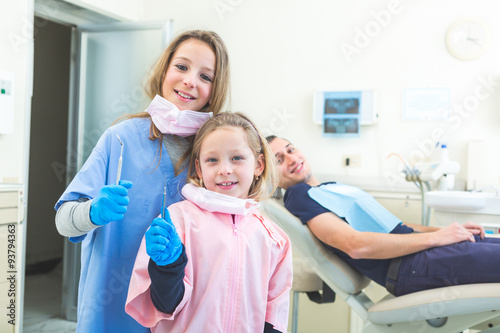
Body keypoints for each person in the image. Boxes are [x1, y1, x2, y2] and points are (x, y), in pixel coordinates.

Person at [54, 30, 231, 332]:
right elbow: (63, 221)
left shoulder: (216, 155)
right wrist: (93, 212)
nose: (190, 81)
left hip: (184, 315)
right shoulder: (120, 138)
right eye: (182, 67)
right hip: (111, 312)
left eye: (206, 76)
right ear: (164, 70)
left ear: (216, 90)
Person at [267, 135, 500, 297]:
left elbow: (396, 226)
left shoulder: (328, 187)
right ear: (271, 176)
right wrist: (439, 238)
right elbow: (354, 245)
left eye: (290, 149)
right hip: (410, 266)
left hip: (419, 254)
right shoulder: (299, 195)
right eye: (279, 159)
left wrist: (450, 232)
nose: (291, 158)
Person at [125, 113, 292, 333]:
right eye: (212, 160)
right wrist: (168, 267)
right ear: (199, 169)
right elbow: (164, 304)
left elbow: (274, 319)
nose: (224, 170)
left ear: (258, 165)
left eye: (237, 158)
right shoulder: (177, 221)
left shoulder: (275, 240)